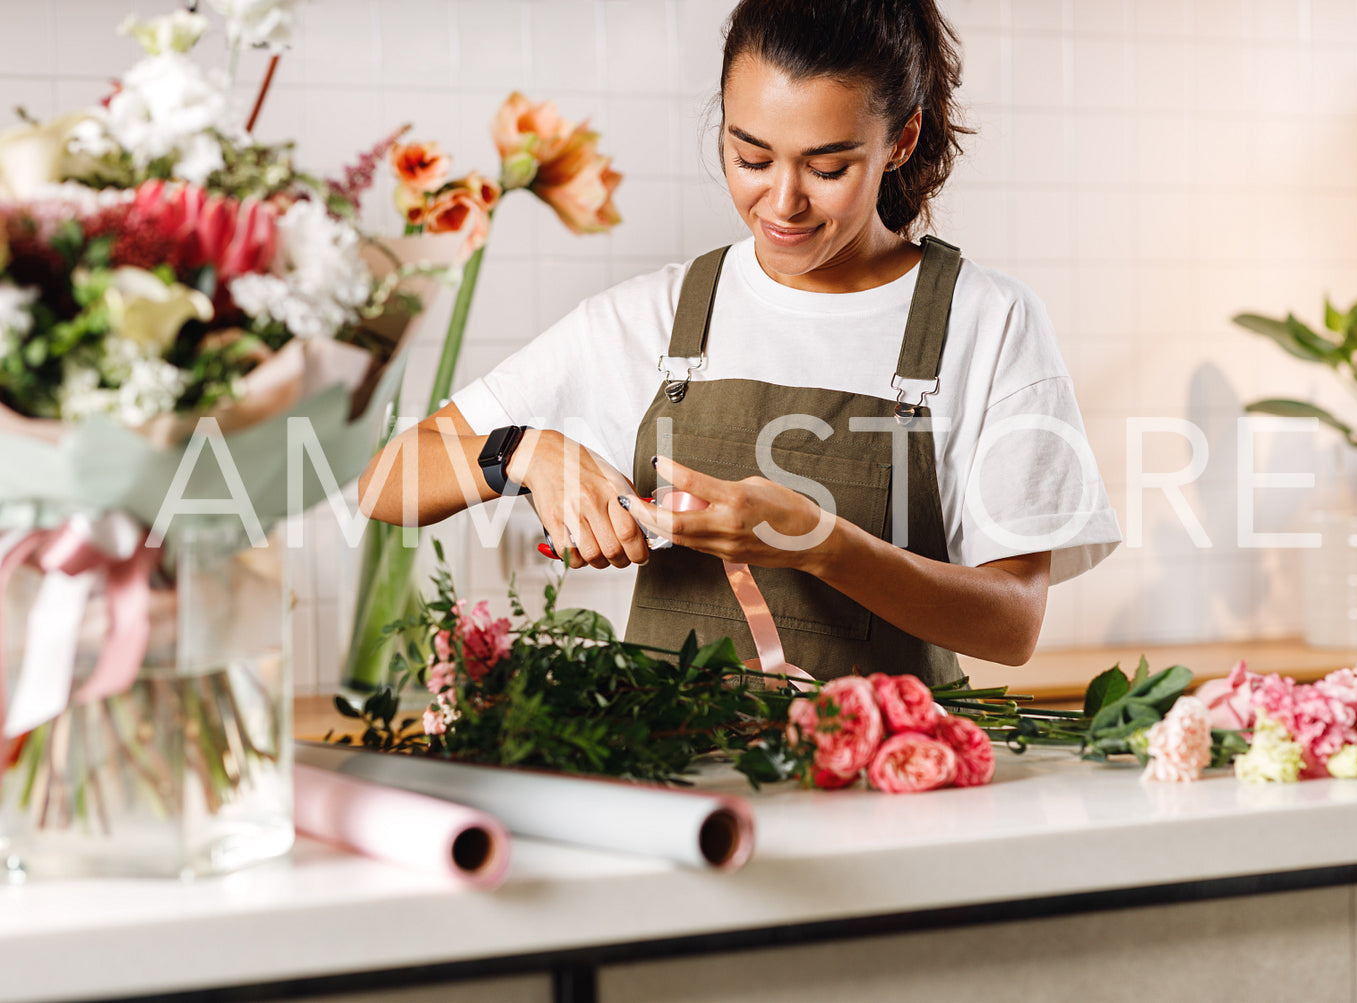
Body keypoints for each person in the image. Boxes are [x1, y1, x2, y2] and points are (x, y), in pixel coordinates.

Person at [358, 0, 1121, 685]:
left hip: (881, 801)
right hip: (674, 787)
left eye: (827, 167)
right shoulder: (656, 316)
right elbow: (384, 480)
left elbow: (1011, 623)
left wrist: (820, 542)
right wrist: (520, 452)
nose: (781, 201)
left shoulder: (986, 321)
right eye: (749, 156)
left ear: (900, 140)